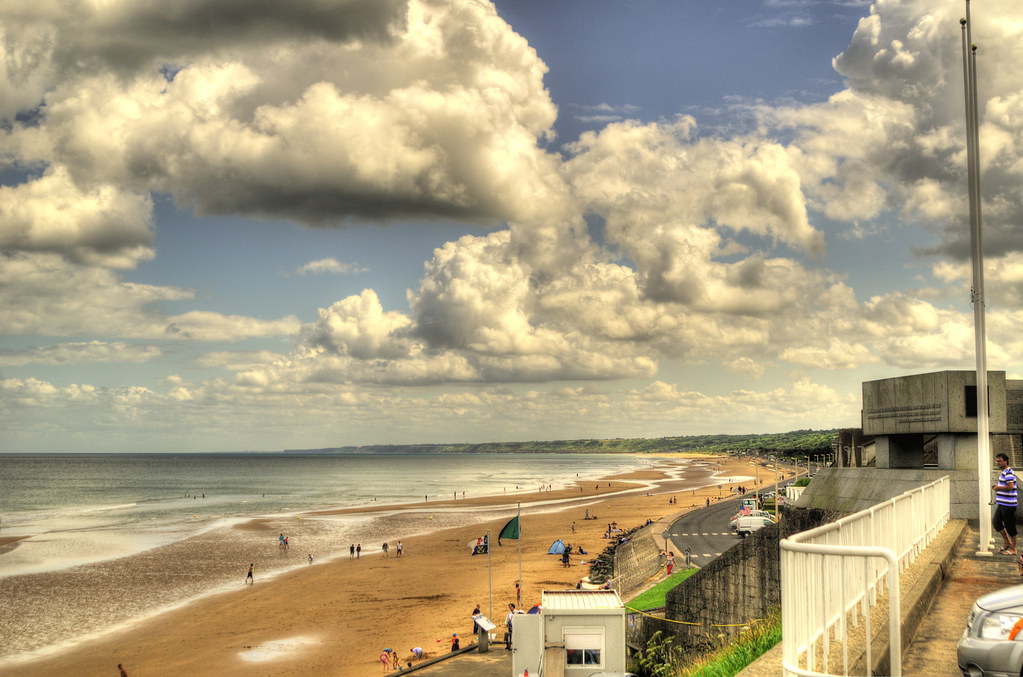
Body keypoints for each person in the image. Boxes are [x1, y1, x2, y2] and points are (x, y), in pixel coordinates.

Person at [993, 452, 1018, 555]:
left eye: (1000, 461)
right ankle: (1007, 542)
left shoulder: (1008, 472)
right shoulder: (1004, 472)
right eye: (997, 461)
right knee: (996, 522)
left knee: (1010, 526)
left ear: (1005, 461)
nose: (998, 463)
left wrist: (998, 488)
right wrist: (998, 486)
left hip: (1008, 505)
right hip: (1003, 504)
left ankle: (1013, 549)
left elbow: (1010, 487)